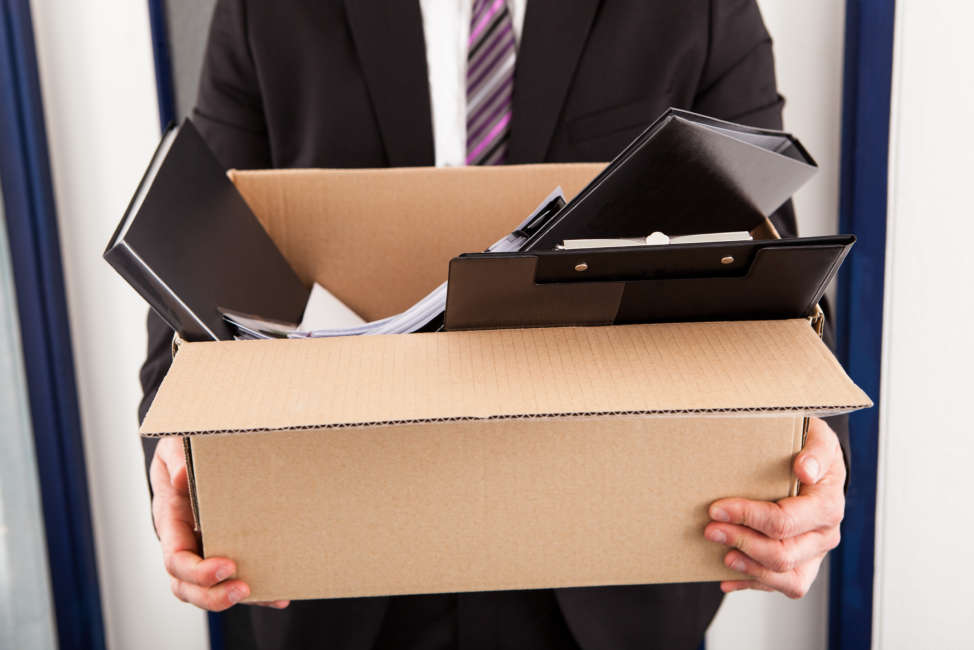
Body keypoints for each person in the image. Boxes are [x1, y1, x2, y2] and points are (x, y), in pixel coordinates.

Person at [140, 1, 850, 648]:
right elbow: (200, 246)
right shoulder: (262, 13)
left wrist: (813, 458)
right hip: (345, 554)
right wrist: (177, 449)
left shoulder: (700, 9)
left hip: (611, 560)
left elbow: (771, 273)